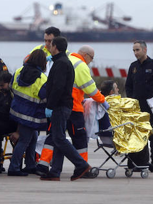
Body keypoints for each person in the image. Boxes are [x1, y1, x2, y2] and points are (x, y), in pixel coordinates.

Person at [37, 45, 107, 175]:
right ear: (86, 55)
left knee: (55, 136)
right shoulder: (81, 65)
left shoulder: (65, 59)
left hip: (57, 105)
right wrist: (103, 100)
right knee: (79, 137)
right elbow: (90, 89)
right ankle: (83, 167)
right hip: (73, 107)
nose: (91, 61)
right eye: (91, 59)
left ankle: (44, 165)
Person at [40, 36, 92, 181]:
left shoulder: (61, 64)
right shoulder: (61, 62)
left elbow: (58, 87)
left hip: (60, 106)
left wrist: (50, 106)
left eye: (51, 45)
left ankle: (81, 165)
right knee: (58, 139)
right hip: (62, 105)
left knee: (59, 138)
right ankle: (55, 171)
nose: (49, 47)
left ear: (55, 47)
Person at [125, 40, 153, 173]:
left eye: (137, 50)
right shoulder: (133, 66)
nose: (135, 53)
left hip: (152, 107)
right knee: (137, 134)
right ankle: (139, 162)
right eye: (134, 50)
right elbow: (128, 86)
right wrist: (131, 101)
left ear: (145, 50)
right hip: (137, 107)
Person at [8, 49, 48, 176]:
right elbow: (44, 96)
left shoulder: (19, 71)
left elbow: (11, 86)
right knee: (24, 140)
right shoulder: (42, 78)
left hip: (17, 111)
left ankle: (30, 165)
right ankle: (13, 168)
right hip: (31, 114)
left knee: (33, 136)